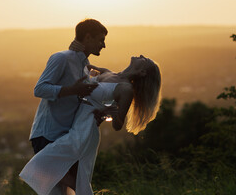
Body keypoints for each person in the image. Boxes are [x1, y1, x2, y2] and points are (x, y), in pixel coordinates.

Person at [20, 55, 162, 195]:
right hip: (74, 123)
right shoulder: (108, 72)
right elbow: (83, 68)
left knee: (42, 164)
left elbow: (118, 125)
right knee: (55, 171)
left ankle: (83, 191)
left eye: (145, 60)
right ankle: (82, 190)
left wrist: (112, 113)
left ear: (142, 72)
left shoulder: (126, 89)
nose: (142, 55)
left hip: (86, 129)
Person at [28, 19, 108, 194]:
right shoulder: (61, 58)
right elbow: (39, 89)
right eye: (101, 40)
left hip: (68, 137)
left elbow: (79, 102)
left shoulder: (85, 68)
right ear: (87, 37)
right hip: (48, 134)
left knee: (66, 189)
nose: (104, 45)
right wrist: (72, 90)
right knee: (77, 185)